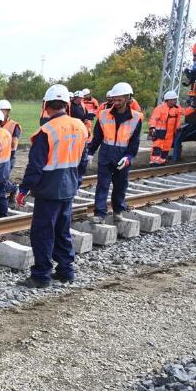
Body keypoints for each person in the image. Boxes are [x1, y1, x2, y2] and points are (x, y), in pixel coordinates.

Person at [15, 84, 88, 288]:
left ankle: (41, 276)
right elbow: (83, 162)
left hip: (49, 190)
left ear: (46, 106)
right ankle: (66, 271)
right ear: (67, 104)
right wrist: (76, 180)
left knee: (42, 232)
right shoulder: (80, 126)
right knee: (62, 230)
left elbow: (36, 166)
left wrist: (23, 189)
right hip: (69, 188)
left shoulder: (46, 130)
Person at [87, 82, 142, 223]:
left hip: (123, 156)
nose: (116, 103)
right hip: (106, 154)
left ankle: (117, 211)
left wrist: (128, 157)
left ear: (128, 98)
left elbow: (134, 142)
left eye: (120, 100)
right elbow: (97, 136)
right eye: (114, 99)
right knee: (102, 185)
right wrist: (90, 152)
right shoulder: (103, 115)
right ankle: (99, 214)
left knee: (120, 185)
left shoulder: (136, 118)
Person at [148, 91, 184, 165]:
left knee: (166, 148)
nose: (175, 101)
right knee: (157, 147)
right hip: (159, 132)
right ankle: (154, 162)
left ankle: (161, 161)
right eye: (173, 99)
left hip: (170, 134)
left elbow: (184, 113)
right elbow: (153, 118)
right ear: (168, 100)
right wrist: (152, 127)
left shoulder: (177, 109)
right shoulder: (160, 108)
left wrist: (192, 107)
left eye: (175, 99)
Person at [0, 99, 21, 200]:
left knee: (2, 179)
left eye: (3, 110)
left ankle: (14, 189)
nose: (1, 113)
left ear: (8, 111)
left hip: (9, 156)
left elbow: (14, 144)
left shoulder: (14, 125)